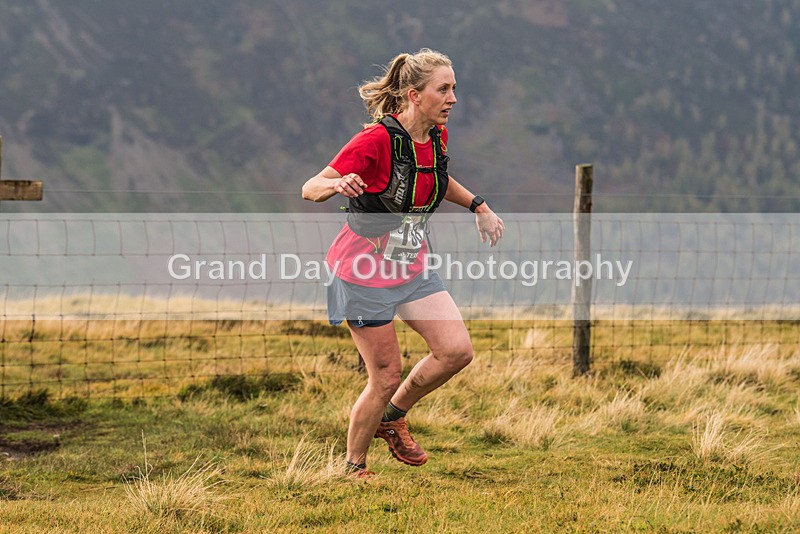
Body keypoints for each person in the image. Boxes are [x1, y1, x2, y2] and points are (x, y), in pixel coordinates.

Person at [301, 48, 504, 479]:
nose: (453, 98)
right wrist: (338, 184)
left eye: (454, 89)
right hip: (362, 271)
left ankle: (393, 419)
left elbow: (436, 178)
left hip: (410, 261)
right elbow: (310, 187)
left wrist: (478, 206)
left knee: (455, 351)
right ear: (414, 94)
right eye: (443, 89)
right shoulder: (375, 140)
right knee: (386, 375)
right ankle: (354, 467)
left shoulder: (435, 136)